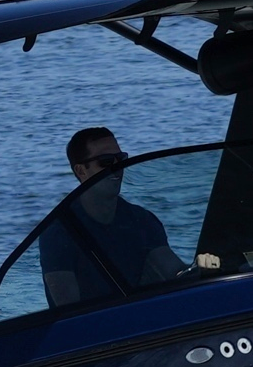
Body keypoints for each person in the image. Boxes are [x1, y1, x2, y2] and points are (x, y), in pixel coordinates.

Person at [41, 125, 187, 310]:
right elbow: (68, 310)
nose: (118, 168)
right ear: (81, 171)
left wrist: (200, 270)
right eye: (106, 161)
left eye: (121, 159)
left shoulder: (142, 220)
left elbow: (174, 271)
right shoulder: (58, 233)